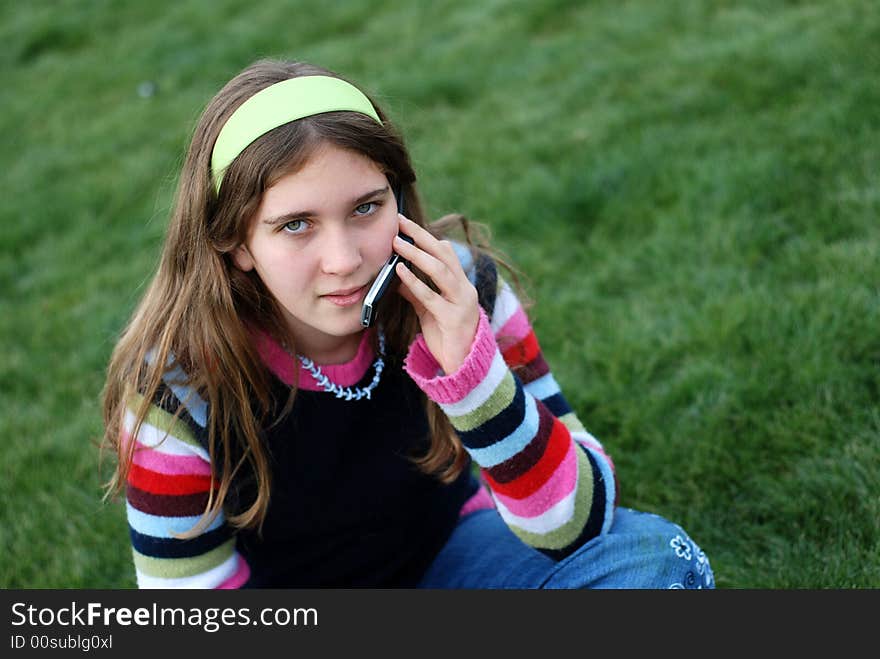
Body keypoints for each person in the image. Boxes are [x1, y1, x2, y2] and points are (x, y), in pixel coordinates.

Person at [100, 58, 714, 589]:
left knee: (657, 560)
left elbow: (578, 524)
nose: (344, 261)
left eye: (367, 207)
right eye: (296, 224)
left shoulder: (463, 292)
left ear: (398, 195)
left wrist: (471, 371)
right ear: (234, 240)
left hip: (457, 561)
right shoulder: (178, 384)